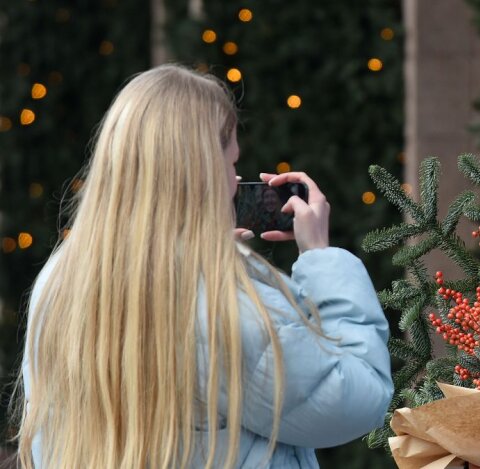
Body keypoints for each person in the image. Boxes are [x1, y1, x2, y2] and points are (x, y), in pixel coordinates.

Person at [16, 65, 393, 468]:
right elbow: (357, 398)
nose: (235, 181)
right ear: (202, 172)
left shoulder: (58, 279)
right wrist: (319, 257)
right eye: (230, 165)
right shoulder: (222, 303)